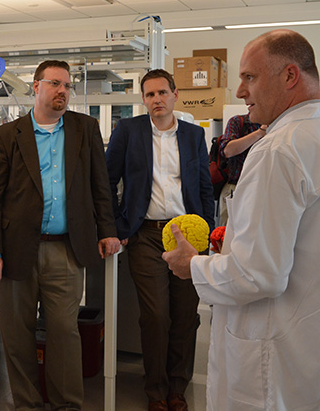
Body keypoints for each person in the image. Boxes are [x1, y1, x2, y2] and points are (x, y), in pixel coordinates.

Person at [163, 29, 320, 410]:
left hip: (277, 363)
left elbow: (257, 273)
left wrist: (192, 265)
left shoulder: (279, 150)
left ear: (290, 76)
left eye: (249, 77)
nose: (240, 91)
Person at [0, 60, 120, 410]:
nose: (62, 91)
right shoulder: (8, 135)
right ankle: (27, 404)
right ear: (36, 86)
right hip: (15, 251)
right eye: (55, 84)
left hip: (66, 250)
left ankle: (67, 405)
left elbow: (100, 186)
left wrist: (107, 230)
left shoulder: (84, 129)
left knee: (64, 333)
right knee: (17, 336)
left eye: (67, 86)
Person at [105, 69, 214, 411]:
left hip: (187, 235)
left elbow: (204, 186)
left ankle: (177, 389)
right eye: (150, 95)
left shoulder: (195, 135)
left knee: (185, 315)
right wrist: (118, 226)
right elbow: (107, 180)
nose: (157, 100)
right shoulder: (128, 131)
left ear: (175, 94)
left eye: (162, 93)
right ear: (143, 100)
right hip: (147, 236)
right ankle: (156, 391)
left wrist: (208, 231)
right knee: (155, 316)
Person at [217, 113, 266, 226]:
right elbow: (227, 150)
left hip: (263, 189)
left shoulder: (279, 123)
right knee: (227, 233)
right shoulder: (238, 121)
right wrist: (260, 132)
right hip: (235, 188)